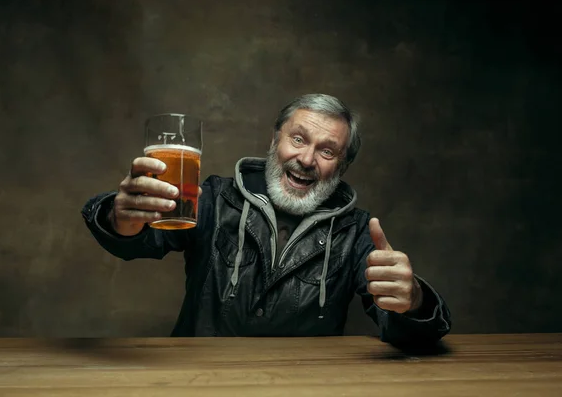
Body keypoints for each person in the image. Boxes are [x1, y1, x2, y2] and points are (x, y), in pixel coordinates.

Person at [81, 94, 451, 345]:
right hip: (197, 381)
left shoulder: (356, 232)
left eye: (326, 150)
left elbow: (399, 326)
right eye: (298, 139)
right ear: (274, 141)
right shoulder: (214, 198)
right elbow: (140, 240)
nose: (306, 160)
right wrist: (120, 217)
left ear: (343, 166)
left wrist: (413, 301)